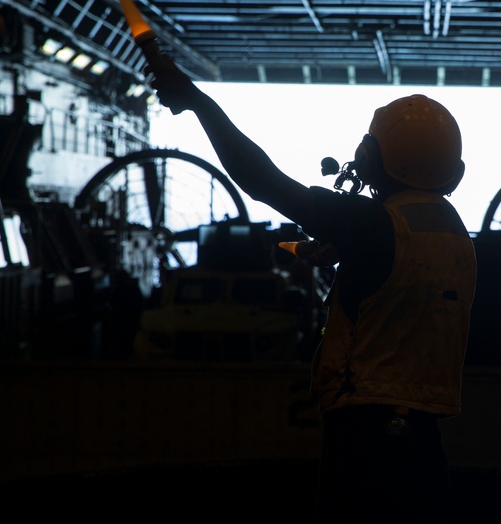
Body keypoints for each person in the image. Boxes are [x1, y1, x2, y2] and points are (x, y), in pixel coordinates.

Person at [151, 71, 477, 523]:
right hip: (423, 442)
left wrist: (199, 103)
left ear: (374, 158)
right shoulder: (451, 230)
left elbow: (261, 180)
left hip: (369, 441)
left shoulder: (371, 224)